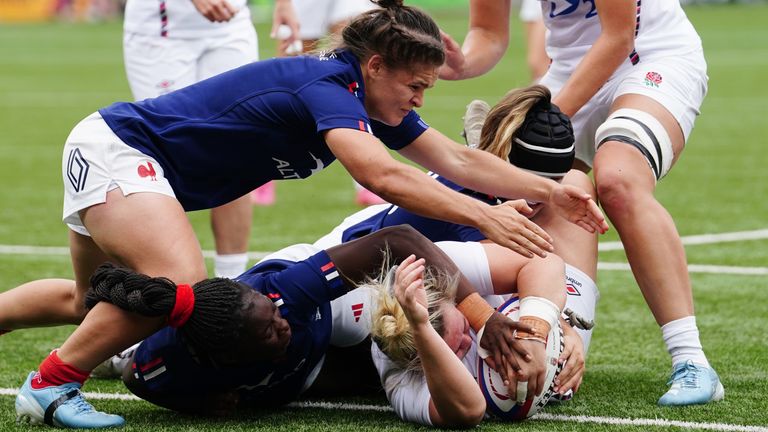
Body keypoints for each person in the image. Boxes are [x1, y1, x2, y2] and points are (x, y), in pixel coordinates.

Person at [5, 0, 609, 425]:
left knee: (95, 303)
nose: (421, 101)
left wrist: (553, 190)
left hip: (112, 150)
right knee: (185, 291)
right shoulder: (328, 90)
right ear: (375, 67)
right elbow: (382, 175)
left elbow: (457, 158)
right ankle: (52, 386)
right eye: (416, 87)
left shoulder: (369, 98)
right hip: (122, 152)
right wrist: (487, 219)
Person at [438, 0, 721, 406]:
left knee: (617, 181)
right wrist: (461, 64)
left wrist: (538, 124)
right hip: (572, 70)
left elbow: (618, 36)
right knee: (532, 194)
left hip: (651, 55)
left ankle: (692, 361)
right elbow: (489, 33)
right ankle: (559, 344)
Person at [14, 226, 535, 427]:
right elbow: (139, 382)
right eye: (269, 332)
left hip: (332, 308)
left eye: (274, 317)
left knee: (372, 328)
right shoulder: (165, 368)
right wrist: (195, 403)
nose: (280, 325)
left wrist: (479, 316)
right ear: (223, 363)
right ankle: (98, 354)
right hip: (291, 370)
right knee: (94, 321)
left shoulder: (286, 294)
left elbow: (397, 238)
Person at [121, 0, 299, 278]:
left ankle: (232, 283)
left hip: (232, 22)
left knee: (239, 148)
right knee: (168, 152)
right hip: (162, 29)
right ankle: (165, 282)